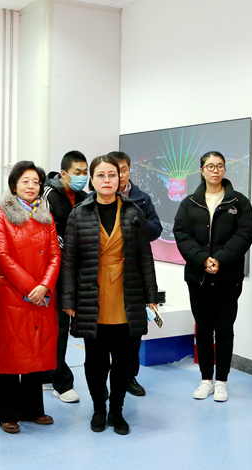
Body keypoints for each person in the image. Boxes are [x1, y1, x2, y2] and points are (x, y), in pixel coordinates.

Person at [60, 155, 158, 435]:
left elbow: (145, 256)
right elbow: (70, 261)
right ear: (92, 180)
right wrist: (68, 299)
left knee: (123, 360)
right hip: (92, 294)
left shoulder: (133, 212)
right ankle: (98, 409)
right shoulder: (79, 213)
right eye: (101, 175)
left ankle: (117, 410)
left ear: (120, 178)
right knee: (95, 360)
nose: (107, 180)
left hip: (127, 294)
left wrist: (151, 295)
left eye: (112, 175)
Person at [173, 151, 252, 402]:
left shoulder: (238, 202)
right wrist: (202, 259)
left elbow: (245, 234)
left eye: (219, 166)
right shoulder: (190, 203)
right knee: (203, 329)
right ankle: (206, 379)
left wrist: (220, 258)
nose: (215, 170)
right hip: (198, 277)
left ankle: (222, 381)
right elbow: (182, 235)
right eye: (210, 166)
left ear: (224, 169)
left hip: (228, 277)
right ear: (202, 170)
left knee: (225, 329)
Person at [0, 161, 61, 434]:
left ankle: (33, 409)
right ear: (14, 185)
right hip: (13, 295)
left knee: (36, 351)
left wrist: (45, 286)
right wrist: (32, 288)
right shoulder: (1, 216)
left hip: (42, 296)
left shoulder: (46, 216)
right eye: (25, 181)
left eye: (36, 182)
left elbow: (55, 255)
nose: (31, 186)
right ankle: (7, 413)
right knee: (12, 353)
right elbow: (3, 256)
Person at [108, 150, 163, 397]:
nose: (120, 176)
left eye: (123, 170)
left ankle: (130, 376)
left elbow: (156, 229)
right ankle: (105, 378)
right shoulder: (95, 199)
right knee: (106, 331)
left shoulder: (142, 199)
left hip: (134, 272)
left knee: (133, 329)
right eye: (114, 171)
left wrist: (137, 220)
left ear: (129, 170)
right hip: (105, 274)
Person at [41, 150, 89, 404]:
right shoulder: (48, 195)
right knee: (58, 328)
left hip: (78, 272)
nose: (82, 177)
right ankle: (61, 382)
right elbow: (45, 232)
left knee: (70, 328)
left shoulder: (84, 197)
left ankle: (49, 373)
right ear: (63, 173)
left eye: (85, 172)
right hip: (54, 272)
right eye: (77, 172)